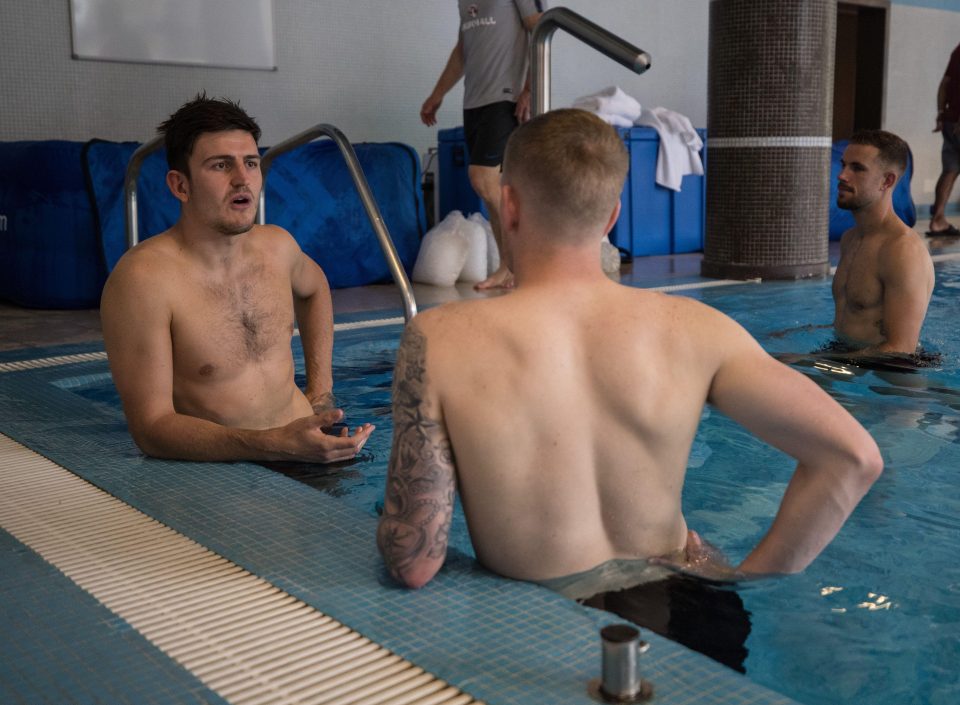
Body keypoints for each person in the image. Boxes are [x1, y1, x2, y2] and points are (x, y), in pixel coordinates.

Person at [377, 110, 883, 665]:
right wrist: (741, 581)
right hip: (686, 614)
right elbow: (853, 458)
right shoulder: (696, 328)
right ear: (613, 214)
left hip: (539, 632)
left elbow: (414, 562)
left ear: (511, 205)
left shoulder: (440, 338)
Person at [100, 94, 374, 463]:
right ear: (180, 186)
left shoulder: (277, 247)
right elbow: (151, 429)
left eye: (250, 163)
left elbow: (315, 290)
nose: (242, 179)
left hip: (312, 446)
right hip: (230, 473)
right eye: (220, 166)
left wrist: (321, 392)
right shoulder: (143, 280)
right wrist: (274, 444)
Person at [420, 0, 546, 290]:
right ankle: (510, 267)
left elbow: (540, 28)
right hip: (474, 101)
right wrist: (437, 94)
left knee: (483, 179)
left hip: (506, 97)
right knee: (496, 187)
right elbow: (462, 51)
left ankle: (518, 265)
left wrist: (529, 88)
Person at [832, 130, 935, 356]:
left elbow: (900, 349)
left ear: (887, 181)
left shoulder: (903, 251)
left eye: (857, 168)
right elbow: (856, 316)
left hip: (891, 376)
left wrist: (821, 364)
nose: (842, 175)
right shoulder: (850, 238)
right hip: (850, 359)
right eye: (843, 165)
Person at [928, 42, 960, 237]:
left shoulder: (958, 50)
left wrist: (941, 113)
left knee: (950, 169)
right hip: (956, 120)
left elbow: (944, 83)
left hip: (949, 119)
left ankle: (938, 219)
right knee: (950, 169)